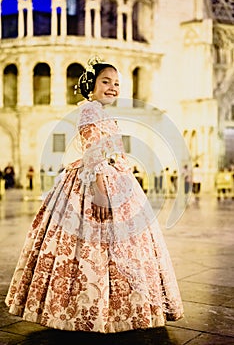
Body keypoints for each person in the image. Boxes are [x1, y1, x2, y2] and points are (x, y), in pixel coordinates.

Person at [5, 57, 183, 333]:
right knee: (96, 246)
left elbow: (114, 151)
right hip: (94, 181)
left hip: (114, 179)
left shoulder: (100, 111)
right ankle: (94, 311)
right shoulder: (90, 110)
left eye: (116, 84)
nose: (113, 88)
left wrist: (125, 177)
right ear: (91, 84)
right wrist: (100, 191)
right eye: (106, 82)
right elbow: (93, 150)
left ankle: (107, 310)